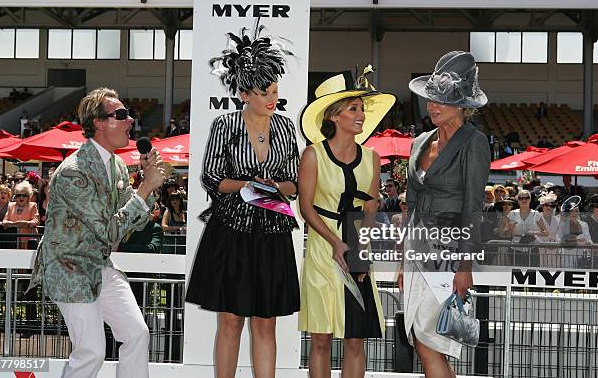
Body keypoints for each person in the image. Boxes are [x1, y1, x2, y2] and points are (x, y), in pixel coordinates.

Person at [185, 24, 300, 378]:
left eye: (276, 90)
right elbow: (210, 178)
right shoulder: (225, 125)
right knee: (230, 321)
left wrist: (276, 186)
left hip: (271, 231)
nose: (273, 97)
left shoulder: (286, 128)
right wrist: (248, 183)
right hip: (231, 232)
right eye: (265, 90)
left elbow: (295, 182)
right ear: (244, 93)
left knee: (266, 324)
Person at [27, 87, 167, 378]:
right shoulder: (72, 171)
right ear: (99, 123)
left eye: (128, 114)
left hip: (98, 265)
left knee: (137, 334)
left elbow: (137, 221)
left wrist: (148, 186)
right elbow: (108, 231)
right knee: (91, 350)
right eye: (121, 115)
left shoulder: (116, 165)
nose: (130, 120)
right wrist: (144, 188)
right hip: (68, 267)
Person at [298, 67, 394, 378]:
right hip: (323, 251)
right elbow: (305, 208)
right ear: (333, 116)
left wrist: (359, 247)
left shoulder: (372, 158)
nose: (361, 114)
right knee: (322, 338)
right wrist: (334, 241)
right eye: (353, 108)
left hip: (355, 247)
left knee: (356, 338)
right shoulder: (313, 155)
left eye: (362, 108)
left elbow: (370, 206)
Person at [401, 51, 491, 374]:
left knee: (429, 342)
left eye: (442, 99)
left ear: (462, 104)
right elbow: (411, 204)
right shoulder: (419, 142)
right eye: (431, 97)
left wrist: (464, 267)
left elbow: (472, 209)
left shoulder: (474, 143)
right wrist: (402, 260)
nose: (433, 105)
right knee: (420, 340)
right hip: (416, 253)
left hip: (448, 254)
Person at [2, 181, 39, 249]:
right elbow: (5, 220)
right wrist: (10, 223)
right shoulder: (11, 206)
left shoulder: (32, 205)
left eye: (24, 195)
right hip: (13, 241)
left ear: (28, 197)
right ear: (15, 197)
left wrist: (26, 223)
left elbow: (35, 221)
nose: (21, 197)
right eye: (18, 195)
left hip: (27, 241)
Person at [536, 192, 560, 267]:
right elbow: (534, 234)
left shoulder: (557, 220)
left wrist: (556, 243)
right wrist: (543, 244)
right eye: (546, 205)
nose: (548, 207)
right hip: (540, 250)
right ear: (542, 206)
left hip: (555, 250)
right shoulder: (536, 218)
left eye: (551, 205)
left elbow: (559, 235)